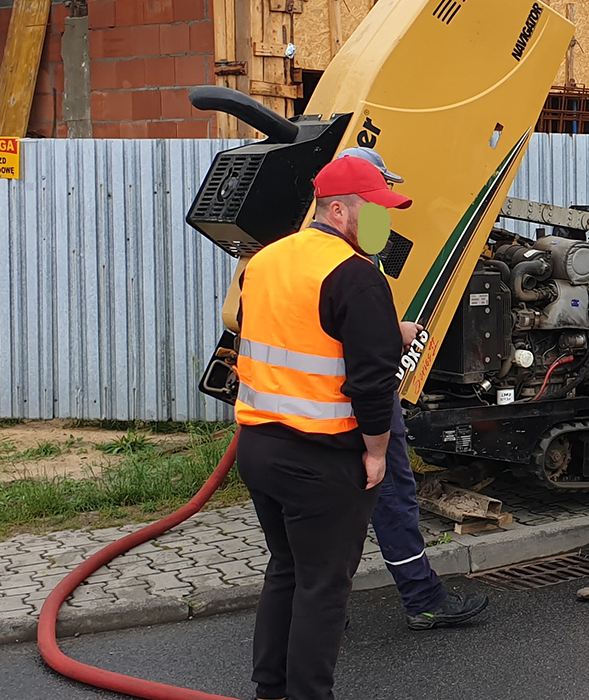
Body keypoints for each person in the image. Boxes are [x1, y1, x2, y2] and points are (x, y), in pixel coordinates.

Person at [232, 156, 413, 700]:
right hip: (323, 457)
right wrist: (377, 453)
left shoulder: (265, 260)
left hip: (259, 447)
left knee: (286, 568)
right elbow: (373, 382)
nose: (383, 223)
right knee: (322, 587)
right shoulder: (355, 275)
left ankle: (271, 689)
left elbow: (277, 332)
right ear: (338, 210)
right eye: (376, 211)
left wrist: (383, 329)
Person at [333, 148, 491, 631]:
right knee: (392, 497)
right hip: (364, 404)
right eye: (377, 193)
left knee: (335, 506)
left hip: (309, 414)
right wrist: (393, 335)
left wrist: (387, 328)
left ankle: (317, 606)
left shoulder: (309, 257)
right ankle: (422, 599)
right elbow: (366, 354)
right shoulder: (356, 267)